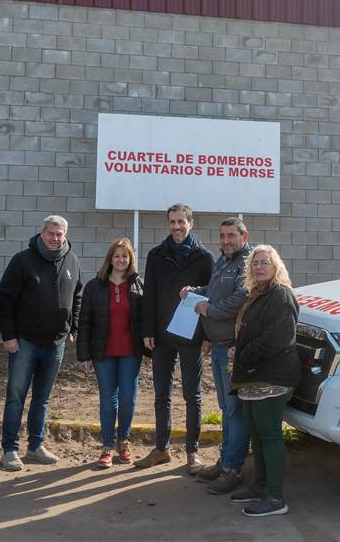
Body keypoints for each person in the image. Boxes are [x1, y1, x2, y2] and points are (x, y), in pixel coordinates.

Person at [0, 215, 82, 471]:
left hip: (55, 344)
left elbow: (77, 295)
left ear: (65, 235)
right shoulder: (22, 261)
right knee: (16, 397)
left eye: (60, 234)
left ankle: (35, 446)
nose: (55, 238)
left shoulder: (72, 260)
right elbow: (5, 300)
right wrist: (9, 336)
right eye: (51, 233)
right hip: (25, 343)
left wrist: (72, 328)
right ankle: (9, 448)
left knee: (42, 398)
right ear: (41, 233)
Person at [134, 204, 214, 472]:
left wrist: (208, 336)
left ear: (191, 223)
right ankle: (162, 449)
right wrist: (147, 331)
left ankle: (193, 452)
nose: (177, 227)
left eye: (181, 222)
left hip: (192, 336)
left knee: (193, 395)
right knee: (161, 395)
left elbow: (210, 299)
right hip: (162, 335)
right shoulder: (156, 255)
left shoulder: (204, 257)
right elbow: (150, 296)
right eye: (172, 222)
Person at [179, 217, 252, 494]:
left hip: (234, 348)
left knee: (235, 411)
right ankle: (225, 461)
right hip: (219, 346)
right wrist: (195, 292)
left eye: (231, 235)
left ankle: (233, 468)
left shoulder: (248, 263)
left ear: (244, 236)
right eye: (222, 236)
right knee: (225, 408)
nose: (225, 241)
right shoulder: (223, 262)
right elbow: (212, 291)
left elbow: (240, 300)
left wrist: (209, 311)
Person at [228, 245, 301, 517]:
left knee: (269, 435)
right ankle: (260, 487)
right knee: (256, 433)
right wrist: (240, 349)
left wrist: (244, 354)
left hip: (273, 377)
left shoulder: (281, 295)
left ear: (276, 267)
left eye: (265, 263)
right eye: (255, 263)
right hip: (252, 375)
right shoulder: (258, 294)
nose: (259, 267)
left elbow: (278, 338)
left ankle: (275, 499)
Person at [76, 237, 145, 468]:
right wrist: (84, 354)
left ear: (130, 259)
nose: (121, 259)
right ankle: (107, 446)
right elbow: (84, 321)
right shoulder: (95, 286)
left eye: (125, 255)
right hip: (103, 353)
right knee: (108, 401)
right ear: (110, 258)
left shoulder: (138, 285)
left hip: (130, 352)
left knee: (127, 399)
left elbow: (146, 320)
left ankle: (123, 442)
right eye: (117, 255)